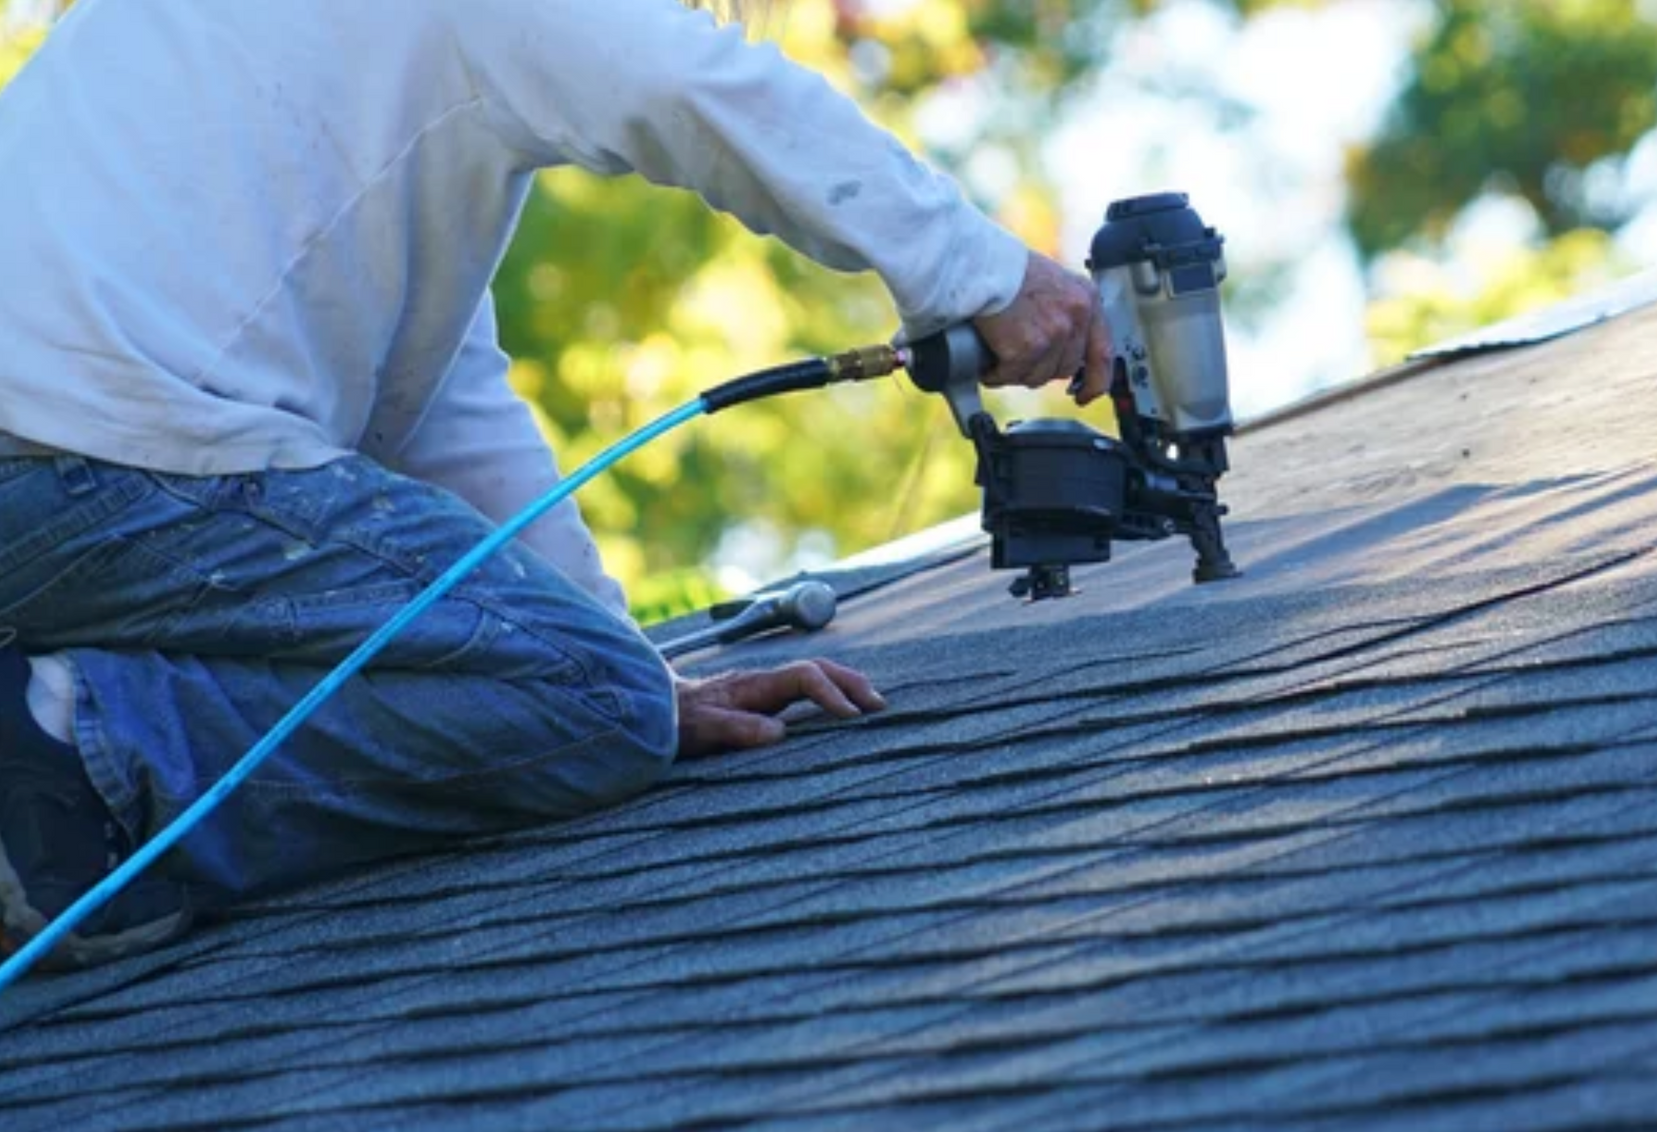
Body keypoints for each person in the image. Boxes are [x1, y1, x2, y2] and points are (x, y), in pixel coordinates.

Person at [0, 0, 1112, 971]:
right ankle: (60, 763)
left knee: (603, 694)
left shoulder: (345, 101)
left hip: (71, 455)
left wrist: (631, 668)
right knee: (595, 707)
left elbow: (442, 407)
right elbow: (688, 82)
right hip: (101, 450)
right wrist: (980, 271)